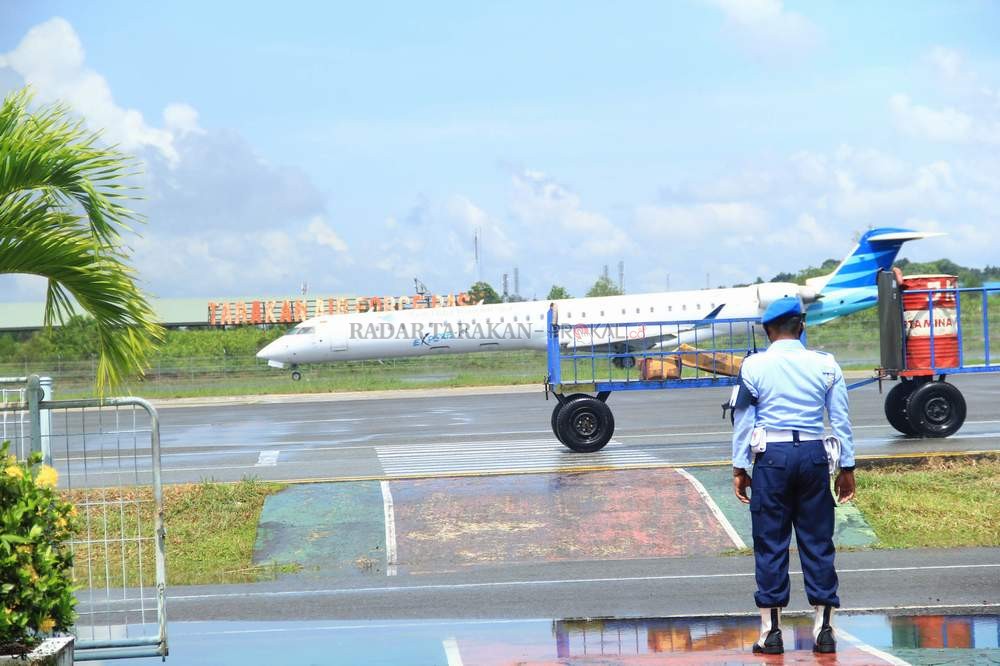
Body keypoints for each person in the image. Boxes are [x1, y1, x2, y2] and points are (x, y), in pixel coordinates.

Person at [730, 296, 856, 655]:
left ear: (768, 330)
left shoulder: (754, 366)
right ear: (801, 326)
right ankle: (824, 629)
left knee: (771, 543)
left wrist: (739, 466)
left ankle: (771, 633)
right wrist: (847, 466)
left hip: (772, 457)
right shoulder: (826, 364)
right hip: (815, 455)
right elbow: (840, 419)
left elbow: (744, 422)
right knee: (818, 541)